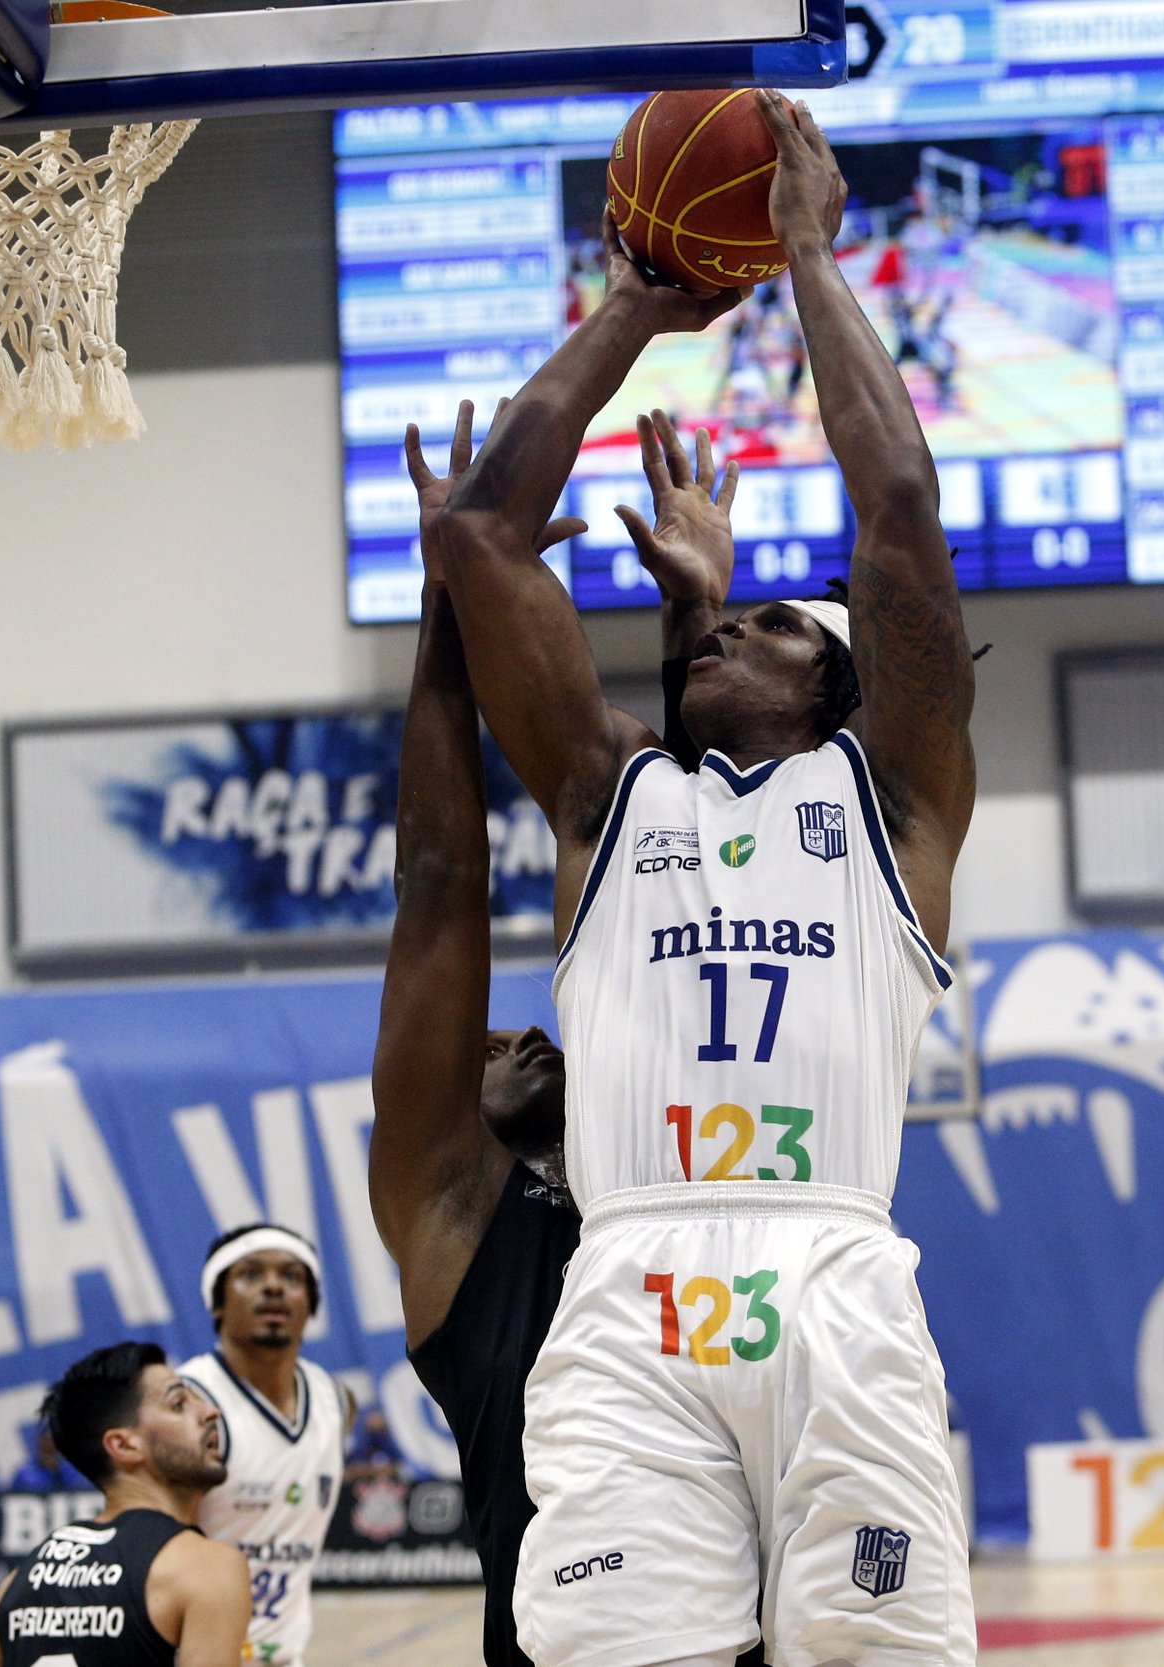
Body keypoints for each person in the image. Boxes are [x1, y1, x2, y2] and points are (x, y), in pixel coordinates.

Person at [428, 90, 978, 1667]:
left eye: (784, 626)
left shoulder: (901, 804)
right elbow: (478, 538)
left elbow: (901, 514)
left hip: (834, 1274)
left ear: (846, 688)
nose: (742, 626)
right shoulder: (611, 801)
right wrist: (637, 307)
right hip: (631, 1277)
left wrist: (805, 246)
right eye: (735, 621)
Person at [373, 399, 760, 1667]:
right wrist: (448, 605)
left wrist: (696, 623)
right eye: (488, 1047)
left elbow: (682, 876)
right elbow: (439, 880)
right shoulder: (452, 1215)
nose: (521, 1039)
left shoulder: (656, 1158)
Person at [0, 1341, 251, 1667]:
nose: (210, 1412)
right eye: (178, 1404)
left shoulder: (22, 1579)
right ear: (123, 1445)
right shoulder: (207, 1567)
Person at [178, 1224, 351, 1667]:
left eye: (292, 1277)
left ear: (311, 1306)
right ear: (217, 1303)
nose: (274, 1286)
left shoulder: (336, 1401)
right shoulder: (189, 1405)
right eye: (251, 1274)